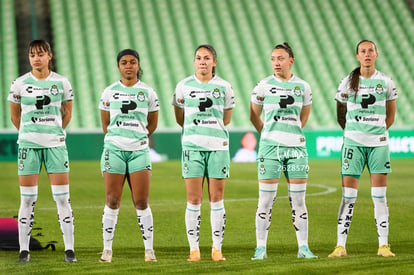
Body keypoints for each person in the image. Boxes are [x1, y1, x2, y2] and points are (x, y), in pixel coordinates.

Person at [8, 40, 76, 263]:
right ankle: (24, 250)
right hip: (28, 145)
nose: (36, 58)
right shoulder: (19, 84)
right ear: (29, 58)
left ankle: (69, 249)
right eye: (32, 54)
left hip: (55, 145)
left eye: (40, 54)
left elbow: (67, 113)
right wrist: (30, 134)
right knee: (27, 199)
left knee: (62, 198)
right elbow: (15, 116)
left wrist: (52, 132)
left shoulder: (62, 83)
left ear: (49, 56)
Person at [328, 40, 397, 258]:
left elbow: (391, 115)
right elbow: (340, 113)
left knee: (379, 196)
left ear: (376, 54)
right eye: (363, 51)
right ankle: (340, 246)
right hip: (353, 144)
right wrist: (353, 133)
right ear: (357, 56)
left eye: (370, 51)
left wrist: (375, 133)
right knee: (348, 196)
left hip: (378, 145)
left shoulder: (386, 82)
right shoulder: (347, 82)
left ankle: (383, 245)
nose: (367, 54)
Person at [250, 42, 317, 260]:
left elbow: (304, 116)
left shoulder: (303, 87)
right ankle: (261, 248)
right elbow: (254, 115)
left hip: (296, 149)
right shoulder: (263, 85)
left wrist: (291, 132)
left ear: (291, 60)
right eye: (273, 59)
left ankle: (303, 248)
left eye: (280, 58)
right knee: (265, 201)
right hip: (270, 148)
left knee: (298, 200)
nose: (276, 63)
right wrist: (268, 133)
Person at [172, 44, 235, 262]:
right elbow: (180, 117)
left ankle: (217, 249)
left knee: (216, 198)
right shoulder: (183, 86)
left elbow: (226, 118)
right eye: (198, 58)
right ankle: (194, 249)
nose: (202, 61)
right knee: (194, 199)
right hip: (192, 147)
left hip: (218, 146)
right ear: (194, 61)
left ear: (214, 62)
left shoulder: (225, 87)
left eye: (207, 58)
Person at [99, 49, 159, 263]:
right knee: (112, 200)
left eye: (132, 62)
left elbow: (152, 122)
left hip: (139, 151)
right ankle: (107, 250)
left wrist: (137, 137)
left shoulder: (148, 93)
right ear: (118, 66)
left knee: (141, 201)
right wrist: (120, 138)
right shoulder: (109, 92)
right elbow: (106, 124)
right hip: (114, 149)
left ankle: (149, 250)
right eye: (124, 62)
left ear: (138, 65)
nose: (128, 65)